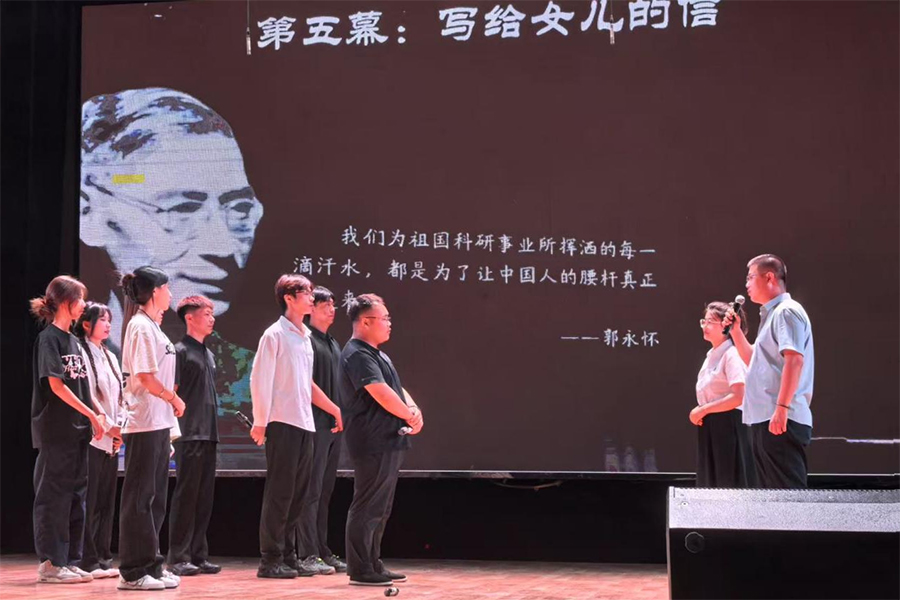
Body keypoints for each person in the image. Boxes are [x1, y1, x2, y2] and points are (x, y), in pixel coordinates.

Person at [79, 87, 263, 417]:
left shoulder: (249, 377)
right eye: (182, 209)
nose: (222, 246)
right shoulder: (83, 361)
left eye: (238, 209)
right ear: (89, 212)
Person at [250, 275, 343, 579]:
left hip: (305, 422)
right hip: (282, 422)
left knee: (298, 494)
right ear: (289, 298)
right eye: (306, 293)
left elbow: (307, 383)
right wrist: (260, 421)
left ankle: (289, 556)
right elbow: (260, 379)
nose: (311, 298)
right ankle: (270, 559)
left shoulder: (304, 337)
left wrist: (333, 408)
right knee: (279, 494)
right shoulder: (274, 334)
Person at [341, 294, 424, 587]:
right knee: (367, 505)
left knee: (381, 507)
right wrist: (408, 415)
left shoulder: (377, 354)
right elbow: (379, 391)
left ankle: (373, 563)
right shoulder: (357, 354)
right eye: (385, 318)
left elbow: (396, 390)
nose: (389, 323)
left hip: (389, 438)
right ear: (366, 322)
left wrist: (413, 410)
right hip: (371, 440)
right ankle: (361, 569)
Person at [30, 276, 106, 584]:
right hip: (56, 430)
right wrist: (91, 415)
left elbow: (84, 387)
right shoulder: (49, 339)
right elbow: (56, 385)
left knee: (76, 497)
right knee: (53, 498)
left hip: (77, 432)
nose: (84, 304)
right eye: (81, 298)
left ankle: (70, 560)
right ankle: (51, 562)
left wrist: (99, 415)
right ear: (66, 302)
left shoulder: (74, 341)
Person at [117, 267, 186, 591]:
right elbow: (145, 376)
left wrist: (169, 424)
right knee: (140, 499)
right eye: (167, 288)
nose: (170, 294)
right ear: (155, 291)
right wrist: (173, 398)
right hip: (143, 422)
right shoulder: (140, 326)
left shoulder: (152, 326)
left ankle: (152, 565)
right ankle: (133, 571)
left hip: (157, 423)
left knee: (154, 499)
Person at [724, 254, 815, 489]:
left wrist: (782, 408)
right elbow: (754, 361)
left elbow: (794, 360)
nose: (746, 284)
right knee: (772, 497)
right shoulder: (773, 315)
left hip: (781, 417)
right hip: (767, 418)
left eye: (750, 277)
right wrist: (735, 332)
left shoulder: (786, 311)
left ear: (770, 277)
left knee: (787, 495)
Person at [167, 296, 222, 576]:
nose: (212, 319)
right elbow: (172, 392)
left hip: (208, 433)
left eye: (212, 314)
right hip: (188, 433)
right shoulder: (179, 351)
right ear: (190, 317)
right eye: (206, 314)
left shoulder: (208, 354)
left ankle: (199, 555)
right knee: (186, 496)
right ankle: (178, 557)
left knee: (204, 498)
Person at [296, 287, 347, 574]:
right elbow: (306, 383)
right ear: (311, 308)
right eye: (325, 305)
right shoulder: (306, 340)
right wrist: (332, 409)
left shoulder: (333, 343)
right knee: (310, 491)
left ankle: (322, 550)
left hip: (332, 427)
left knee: (324, 491)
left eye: (333, 305)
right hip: (313, 424)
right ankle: (307, 554)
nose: (331, 310)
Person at [74, 302, 126, 579]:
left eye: (109, 320)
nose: (108, 324)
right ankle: (87, 559)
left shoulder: (111, 356)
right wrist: (106, 426)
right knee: (90, 500)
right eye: (102, 320)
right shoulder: (80, 351)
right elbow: (87, 394)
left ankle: (104, 557)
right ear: (86, 324)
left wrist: (120, 430)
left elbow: (119, 396)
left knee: (106, 501)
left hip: (112, 438)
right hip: (94, 436)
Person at [691, 301, 756, 488]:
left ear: (726, 325)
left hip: (729, 426)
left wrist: (702, 410)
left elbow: (738, 396)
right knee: (710, 483)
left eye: (710, 322)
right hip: (712, 425)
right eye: (704, 321)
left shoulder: (732, 353)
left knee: (727, 484)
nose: (705, 326)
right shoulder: (711, 355)